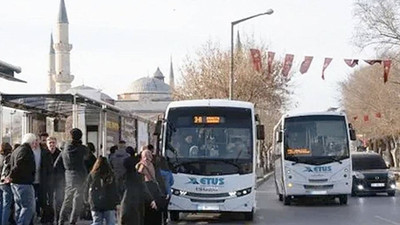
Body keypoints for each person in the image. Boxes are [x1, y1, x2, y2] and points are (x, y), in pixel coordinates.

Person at [58, 128, 88, 225]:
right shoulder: (82, 149)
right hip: (81, 176)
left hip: (69, 176)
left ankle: (61, 221)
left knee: (67, 199)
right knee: (77, 200)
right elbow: (88, 157)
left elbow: (56, 164)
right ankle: (73, 221)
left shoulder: (64, 149)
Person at [9, 133, 36, 225]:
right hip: (24, 183)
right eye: (34, 142)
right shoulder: (26, 151)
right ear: (32, 142)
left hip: (16, 183)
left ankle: (18, 222)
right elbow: (19, 165)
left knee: (19, 207)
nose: (35, 144)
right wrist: (11, 176)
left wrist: (11, 176)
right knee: (28, 207)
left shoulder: (16, 150)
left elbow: (12, 165)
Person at [84, 157, 118, 225]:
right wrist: (117, 201)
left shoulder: (92, 175)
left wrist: (86, 200)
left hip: (95, 203)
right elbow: (115, 188)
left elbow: (86, 188)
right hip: (109, 203)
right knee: (110, 222)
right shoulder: (111, 175)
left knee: (97, 222)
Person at [137, 149, 163, 225]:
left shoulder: (142, 164)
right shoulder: (152, 164)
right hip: (154, 187)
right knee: (155, 211)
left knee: (147, 211)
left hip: (146, 186)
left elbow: (139, 175)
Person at [31, 136, 53, 225]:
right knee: (33, 201)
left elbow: (49, 167)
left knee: (43, 201)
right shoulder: (29, 152)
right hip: (31, 181)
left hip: (42, 181)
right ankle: (35, 218)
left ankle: (45, 218)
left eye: (36, 141)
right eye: (33, 141)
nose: (35, 143)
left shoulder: (45, 152)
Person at [47, 137, 64, 225]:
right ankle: (50, 219)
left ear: (56, 144)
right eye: (50, 143)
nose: (51, 145)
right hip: (48, 181)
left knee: (59, 201)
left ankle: (58, 219)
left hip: (58, 180)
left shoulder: (60, 154)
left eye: (53, 143)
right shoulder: (45, 154)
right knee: (49, 201)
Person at [0, 142, 16, 225]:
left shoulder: (1, 157)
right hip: (6, 183)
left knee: (2, 204)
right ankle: (4, 222)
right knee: (7, 205)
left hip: (1, 182)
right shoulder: (10, 157)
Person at [158, 157, 173, 224]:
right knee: (165, 208)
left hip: (160, 191)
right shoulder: (169, 172)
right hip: (168, 192)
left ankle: (160, 220)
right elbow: (172, 182)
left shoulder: (158, 171)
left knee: (160, 207)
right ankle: (165, 219)